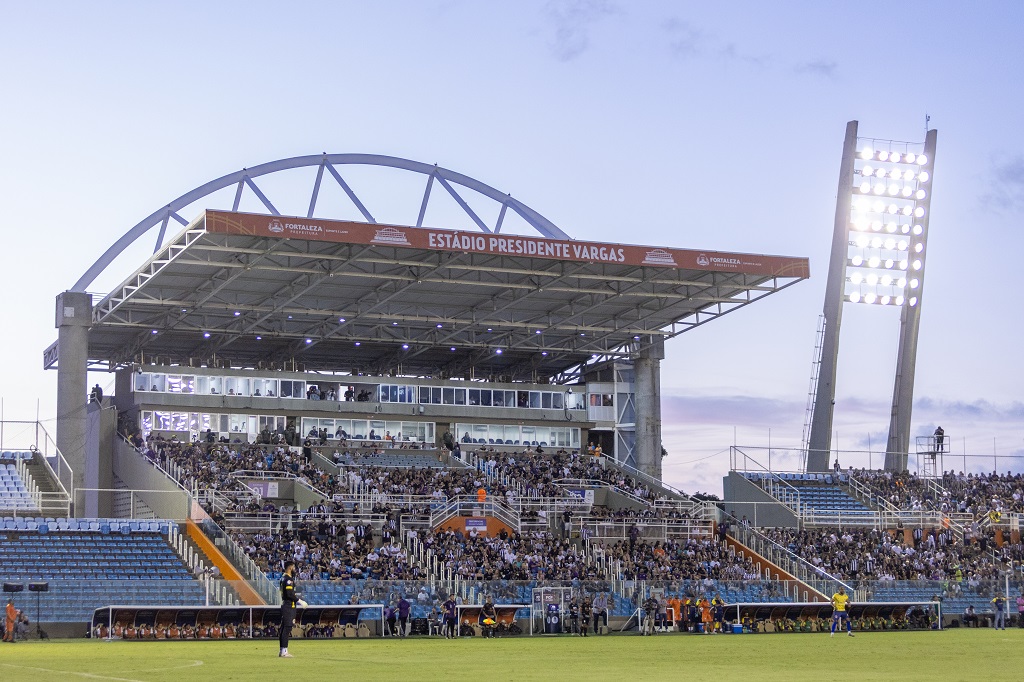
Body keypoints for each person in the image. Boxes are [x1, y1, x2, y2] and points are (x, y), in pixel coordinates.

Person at [278, 560, 305, 657]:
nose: (294, 569)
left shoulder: (283, 578)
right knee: (287, 627)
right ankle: (284, 651)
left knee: (284, 628)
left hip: (285, 605)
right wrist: (299, 601)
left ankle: (282, 650)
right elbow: (289, 594)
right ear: (290, 567)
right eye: (293, 567)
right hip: (289, 606)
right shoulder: (288, 579)